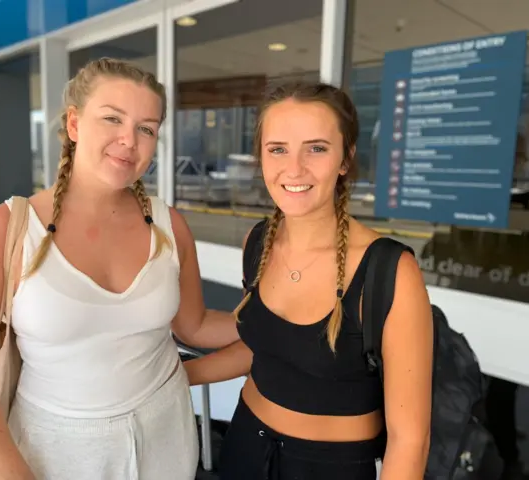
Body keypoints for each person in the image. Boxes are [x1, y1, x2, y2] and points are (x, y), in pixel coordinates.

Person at [0, 57, 239, 480]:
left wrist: (276, 312)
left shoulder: (169, 226)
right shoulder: (11, 229)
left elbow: (196, 325)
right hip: (53, 449)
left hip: (166, 435)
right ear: (74, 125)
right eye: (112, 119)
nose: (129, 140)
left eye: (146, 128)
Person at [184, 81, 434, 479]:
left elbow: (410, 441)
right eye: (278, 149)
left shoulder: (388, 271)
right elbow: (268, 349)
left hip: (332, 467)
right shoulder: (259, 242)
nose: (294, 168)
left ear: (345, 158)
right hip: (245, 443)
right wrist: (178, 377)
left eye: (316, 148)